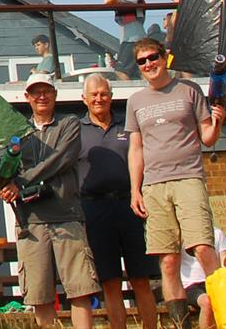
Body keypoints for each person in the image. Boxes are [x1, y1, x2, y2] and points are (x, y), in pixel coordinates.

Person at [125, 37, 226, 329]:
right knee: (167, 261)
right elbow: (136, 148)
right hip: (154, 185)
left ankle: (224, 311)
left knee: (203, 248)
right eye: (142, 61)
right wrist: (135, 189)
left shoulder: (189, 89)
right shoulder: (135, 101)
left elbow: (207, 137)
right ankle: (181, 325)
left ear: (164, 57)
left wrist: (219, 120)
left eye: (152, 57)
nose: (148, 64)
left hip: (188, 177)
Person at [0, 73, 100, 328]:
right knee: (39, 295)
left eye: (46, 91)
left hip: (67, 217)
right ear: (27, 98)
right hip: (30, 222)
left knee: (80, 290)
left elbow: (62, 159)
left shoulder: (70, 124)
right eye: (35, 92)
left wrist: (20, 182)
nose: (41, 96)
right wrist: (2, 177)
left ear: (55, 95)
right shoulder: (17, 134)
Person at [77, 74, 158, 329]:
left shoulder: (129, 127)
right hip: (94, 209)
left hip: (130, 206)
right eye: (94, 95)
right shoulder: (75, 131)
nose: (99, 99)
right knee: (110, 281)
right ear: (84, 99)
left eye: (103, 94)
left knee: (141, 278)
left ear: (111, 96)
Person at [180, 227, 226, 329]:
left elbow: (225, 261)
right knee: (207, 302)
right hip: (190, 285)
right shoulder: (180, 234)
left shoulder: (216, 232)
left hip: (214, 281)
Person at [104, 0, 146, 80]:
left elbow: (107, 2)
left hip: (131, 40)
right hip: (136, 38)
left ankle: (128, 95)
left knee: (121, 70)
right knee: (141, 71)